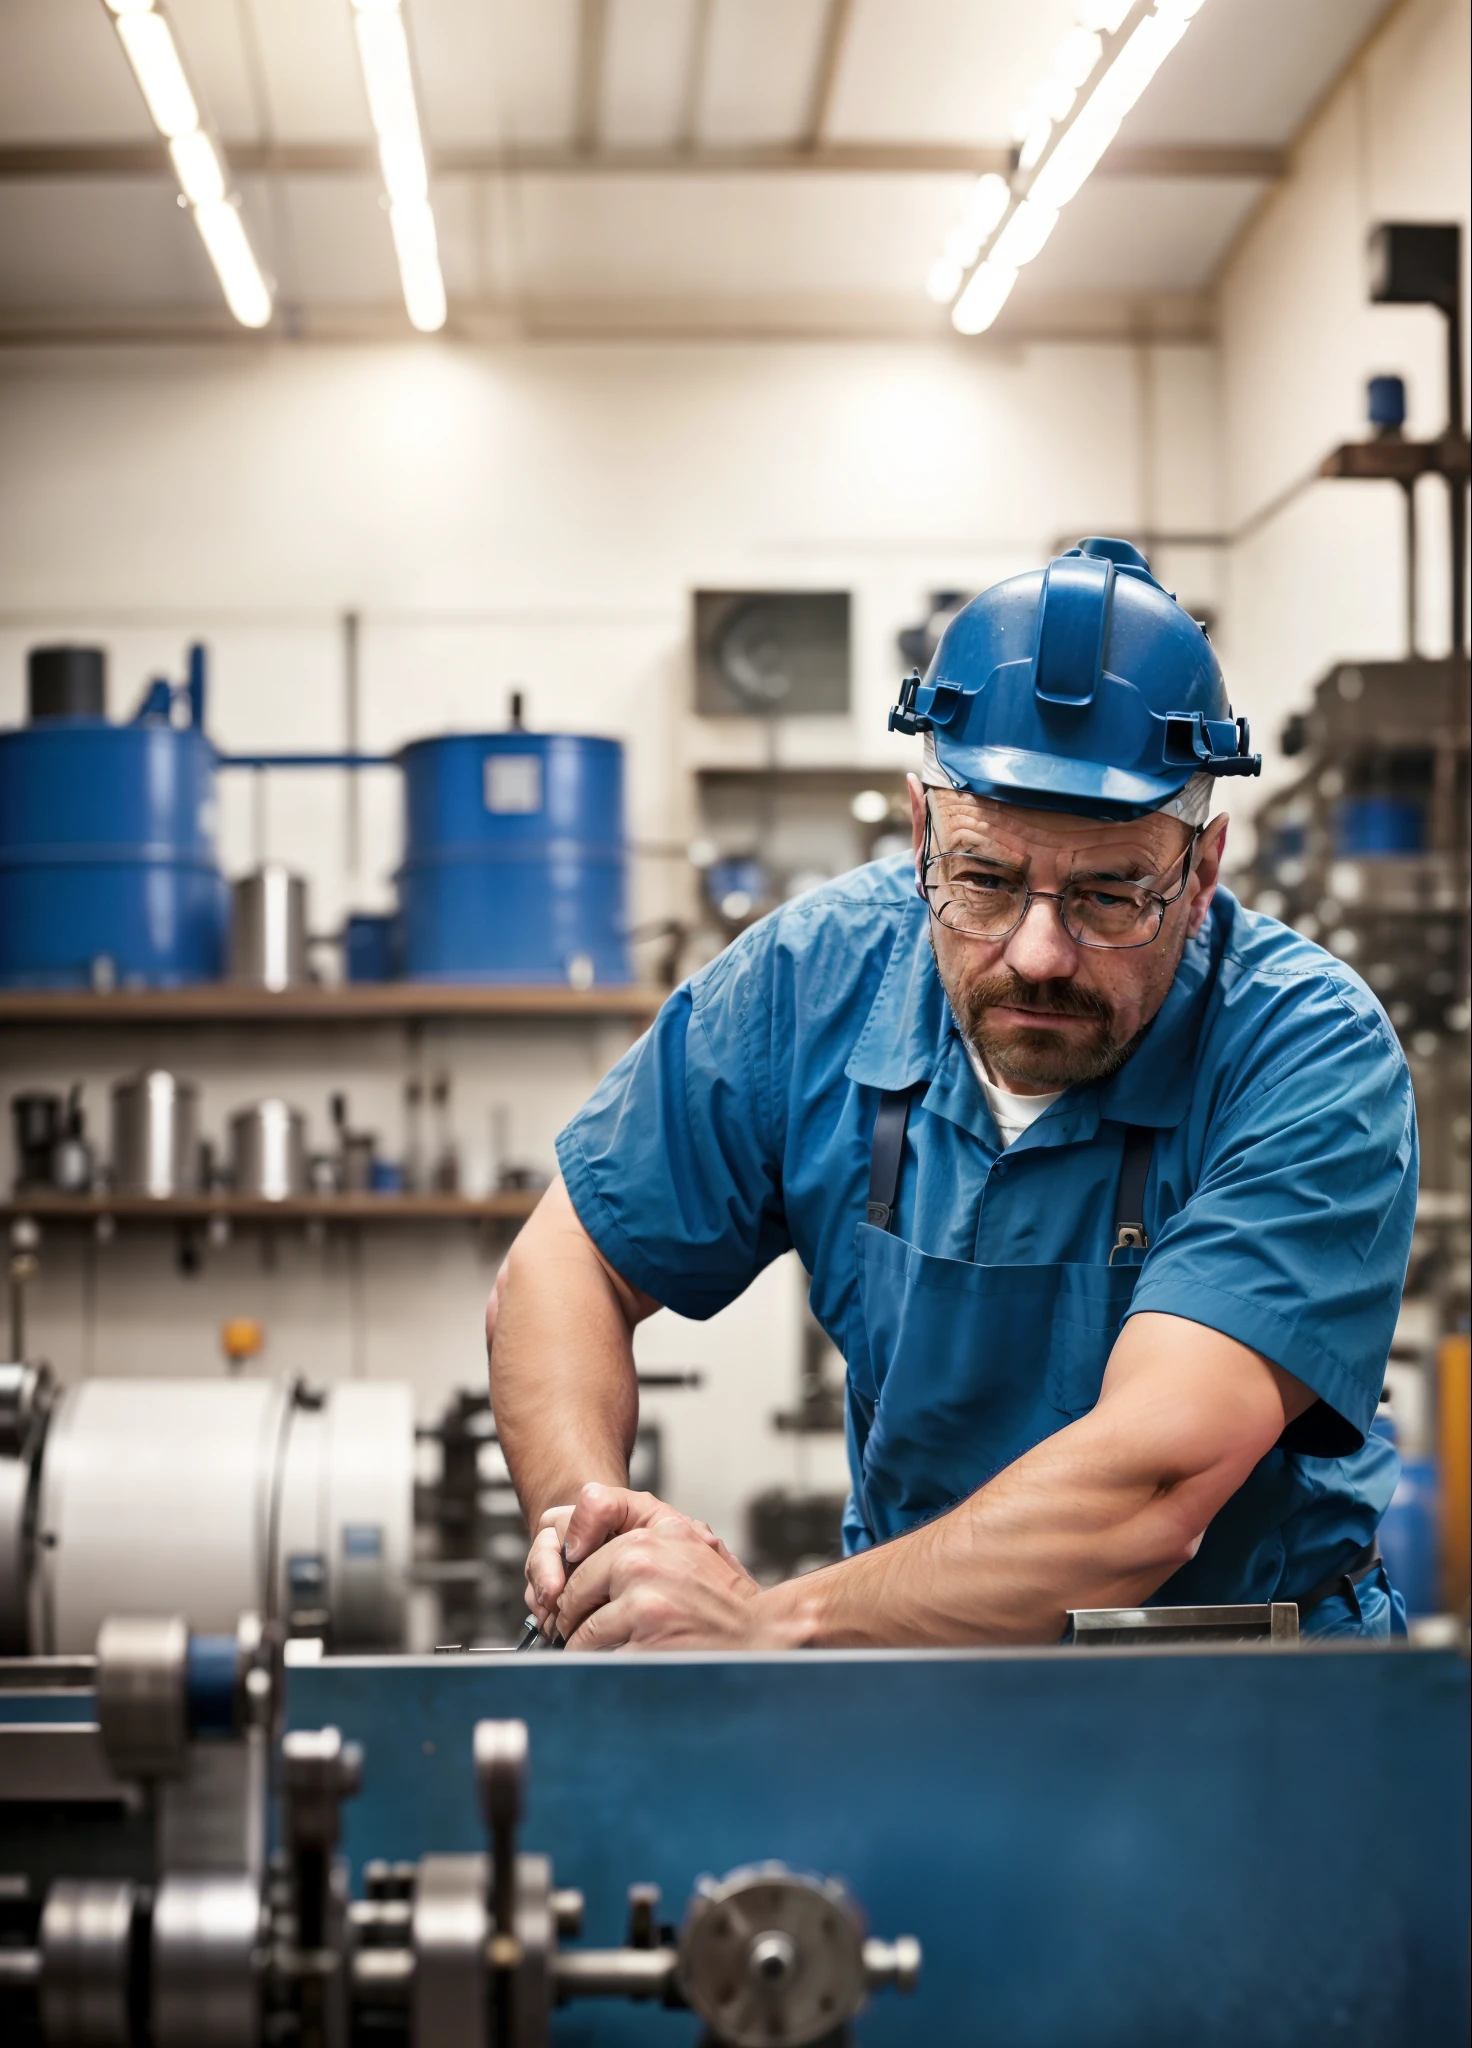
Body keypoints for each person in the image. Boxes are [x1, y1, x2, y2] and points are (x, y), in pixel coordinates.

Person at [488, 538, 1414, 1651]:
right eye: (982, 878)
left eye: (1109, 893)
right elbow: (564, 1262)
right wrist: (594, 1534)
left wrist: (766, 1623)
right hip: (901, 1675)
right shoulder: (813, 980)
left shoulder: (1303, 1051)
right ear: (923, 829)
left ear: (1201, 868)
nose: (1036, 951)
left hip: (1235, 1698)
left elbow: (1151, 1482)